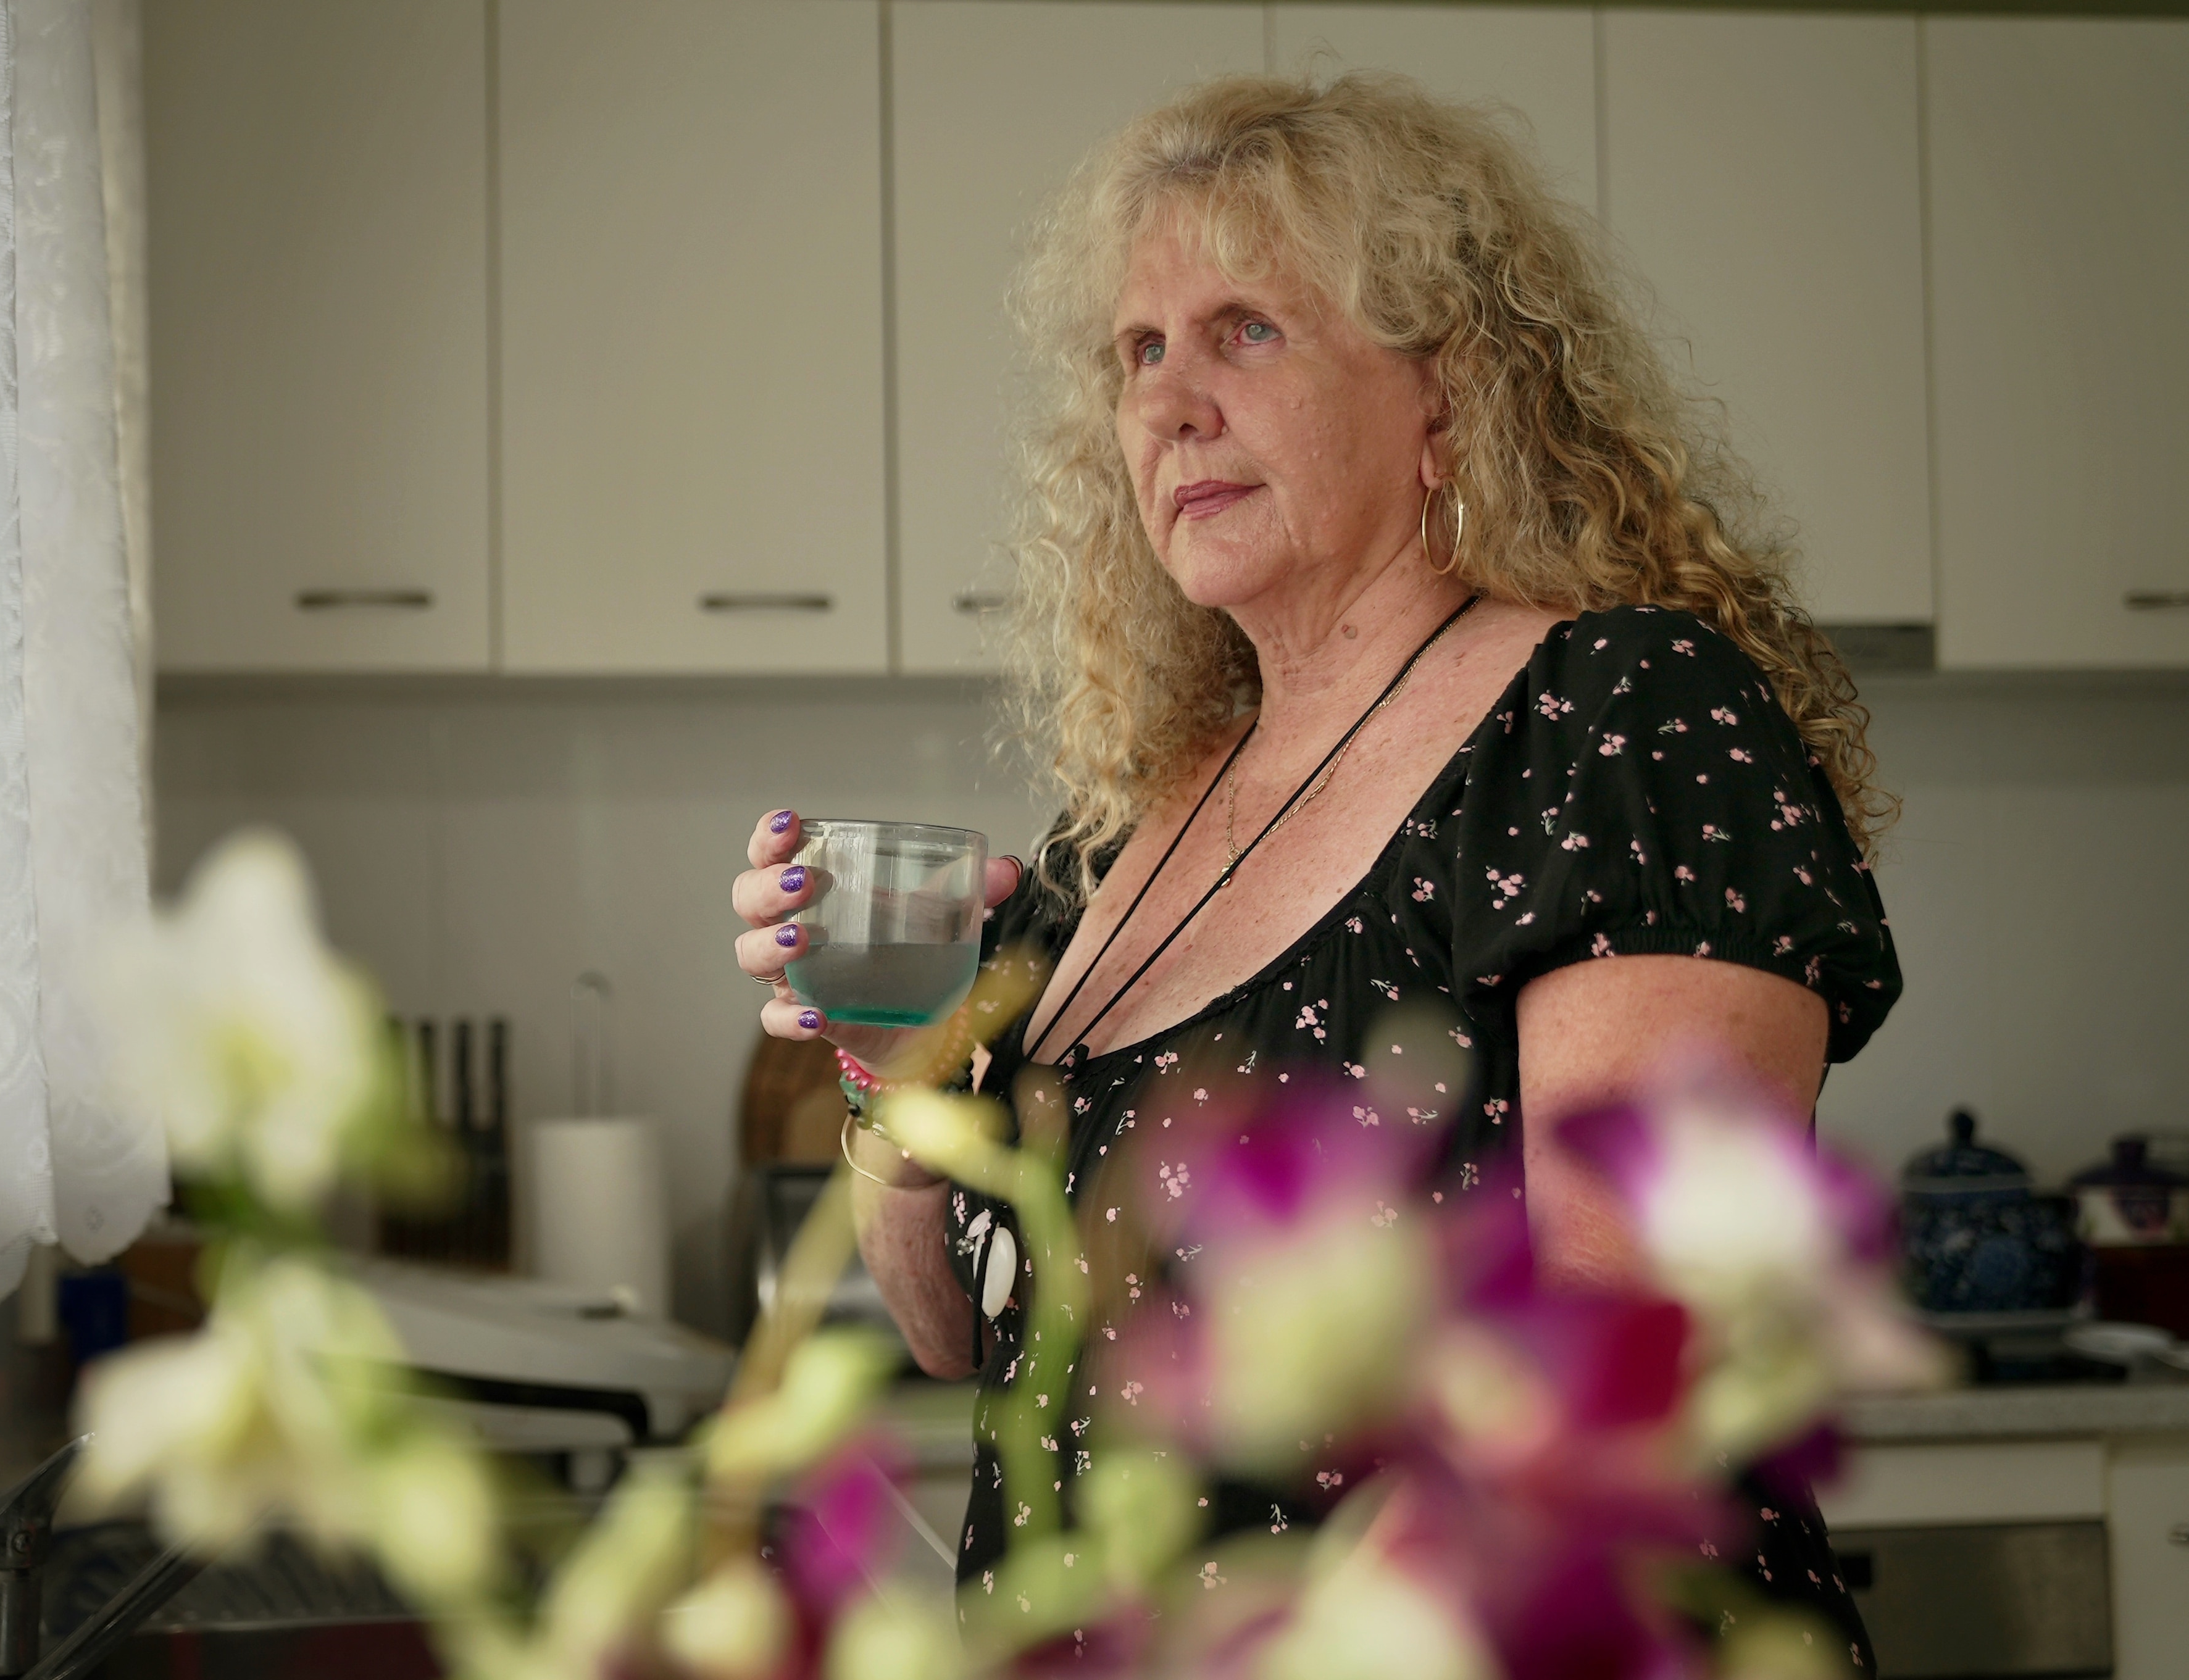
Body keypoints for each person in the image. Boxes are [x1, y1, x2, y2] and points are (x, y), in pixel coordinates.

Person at [728, 72, 1899, 1669]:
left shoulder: (1610, 716)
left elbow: (1632, 1360)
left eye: (1244, 330)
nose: (1167, 403)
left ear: (1447, 392)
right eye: (1137, 352)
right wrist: (892, 1085)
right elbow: (957, 1335)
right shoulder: (1116, 837)